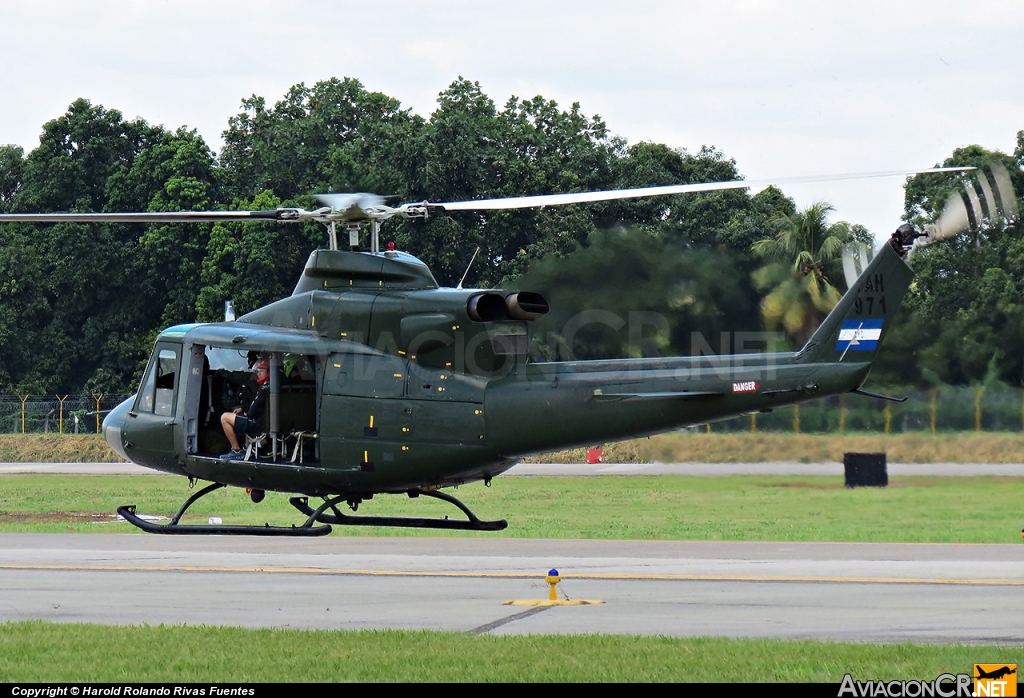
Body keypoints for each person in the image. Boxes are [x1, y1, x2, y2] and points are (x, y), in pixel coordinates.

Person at [220, 359, 270, 460]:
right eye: (257, 371)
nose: (258, 373)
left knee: (225, 418)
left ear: (269, 371)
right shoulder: (273, 386)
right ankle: (248, 448)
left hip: (259, 423)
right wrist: (243, 408)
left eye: (261, 370)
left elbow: (252, 412)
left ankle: (236, 450)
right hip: (266, 423)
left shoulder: (264, 388)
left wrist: (246, 412)